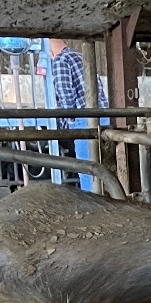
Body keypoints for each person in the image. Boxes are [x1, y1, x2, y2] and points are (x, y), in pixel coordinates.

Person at [45, 36, 94, 192]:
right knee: (102, 167)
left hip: (83, 118)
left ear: (50, 51)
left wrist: (67, 126)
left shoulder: (60, 60)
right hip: (102, 116)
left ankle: (93, 209)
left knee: (87, 170)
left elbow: (66, 97)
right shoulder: (78, 55)